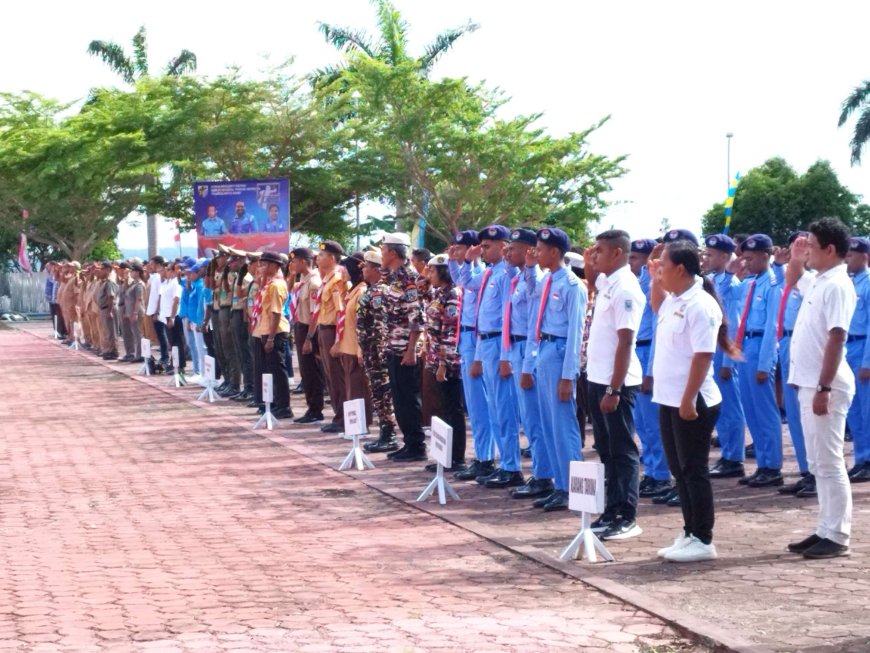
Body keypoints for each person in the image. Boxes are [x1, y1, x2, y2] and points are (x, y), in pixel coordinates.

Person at [648, 240, 731, 562]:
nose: (660, 271)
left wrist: (688, 399)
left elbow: (703, 355)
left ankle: (703, 538)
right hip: (670, 398)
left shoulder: (700, 304)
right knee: (678, 470)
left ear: (679, 269)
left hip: (693, 400)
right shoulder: (676, 299)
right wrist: (655, 275)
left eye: (663, 266)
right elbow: (657, 306)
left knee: (694, 469)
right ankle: (689, 530)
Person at [785, 218, 856, 559]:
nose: (807, 250)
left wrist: (824, 386)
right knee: (817, 463)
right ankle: (825, 527)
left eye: (812, 246)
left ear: (830, 249)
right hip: (809, 382)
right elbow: (794, 281)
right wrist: (797, 261)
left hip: (825, 385)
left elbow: (837, 336)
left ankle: (838, 534)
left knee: (829, 462)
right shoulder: (820, 280)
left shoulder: (837, 285)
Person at [586, 229, 646, 540]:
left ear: (617, 253)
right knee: (606, 449)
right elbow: (591, 278)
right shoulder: (608, 282)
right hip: (597, 378)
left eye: (599, 250)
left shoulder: (626, 288)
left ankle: (627, 515)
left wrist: (614, 388)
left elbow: (626, 342)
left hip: (616, 383)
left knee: (622, 450)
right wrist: (591, 264)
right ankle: (611, 509)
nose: (593, 255)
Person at [522, 227, 586, 511]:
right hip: (544, 351)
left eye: (541, 248)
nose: (536, 252)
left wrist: (568, 376)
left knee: (563, 426)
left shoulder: (573, 285)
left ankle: (574, 488)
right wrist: (528, 266)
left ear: (555, 252)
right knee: (548, 425)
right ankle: (560, 485)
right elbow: (529, 292)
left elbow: (575, 334)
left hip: (560, 354)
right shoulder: (546, 280)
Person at [466, 225, 523, 487]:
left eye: (487, 246)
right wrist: (478, 355)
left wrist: (505, 357)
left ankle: (511, 466)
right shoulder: (490, 273)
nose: (483, 250)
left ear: (503, 247)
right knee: (494, 408)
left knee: (504, 409)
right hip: (486, 342)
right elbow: (482, 318)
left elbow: (506, 319)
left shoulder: (505, 276)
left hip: (500, 343)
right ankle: (502, 463)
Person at [504, 229, 554, 499]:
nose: (507, 253)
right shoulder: (520, 278)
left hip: (529, 348)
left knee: (535, 420)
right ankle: (541, 473)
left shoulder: (538, 278)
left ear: (527, 251)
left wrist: (527, 366)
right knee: (529, 419)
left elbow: (535, 321)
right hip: (516, 346)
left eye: (512, 249)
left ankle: (544, 476)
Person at [735, 234, 784, 487]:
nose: (746, 263)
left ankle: (773, 466)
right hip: (745, 348)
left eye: (750, 258)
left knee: (765, 412)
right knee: (751, 411)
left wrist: (765, 364)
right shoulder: (750, 283)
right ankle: (763, 464)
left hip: (760, 348)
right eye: (744, 258)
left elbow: (772, 327)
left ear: (766, 256)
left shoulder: (773, 284)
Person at [449, 231, 497, 481]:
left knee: (481, 405)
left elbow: (467, 282)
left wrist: (467, 262)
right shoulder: (473, 270)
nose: (457, 252)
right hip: (466, 337)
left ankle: (486, 458)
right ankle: (481, 456)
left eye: (461, 248)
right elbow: (458, 279)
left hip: (478, 339)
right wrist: (453, 261)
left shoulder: (483, 272)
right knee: (474, 404)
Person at [703, 234, 748, 480]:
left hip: (723, 351)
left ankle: (734, 458)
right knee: (719, 407)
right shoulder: (712, 279)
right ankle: (727, 455)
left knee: (731, 407)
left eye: (711, 254)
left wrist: (729, 362)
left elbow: (732, 323)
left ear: (724, 255)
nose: (706, 258)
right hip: (711, 349)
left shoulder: (733, 284)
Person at [630, 238, 672, 500]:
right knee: (641, 423)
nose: (630, 262)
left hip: (648, 352)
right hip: (636, 349)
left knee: (653, 422)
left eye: (635, 257)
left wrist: (651, 371)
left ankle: (661, 475)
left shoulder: (654, 285)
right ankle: (654, 472)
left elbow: (657, 330)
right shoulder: (635, 283)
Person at [379, 232, 427, 462]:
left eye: (383, 248)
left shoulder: (409, 278)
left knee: (408, 398)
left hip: (404, 349)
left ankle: (416, 445)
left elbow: (416, 317)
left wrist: (411, 350)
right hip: (392, 346)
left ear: (392, 252)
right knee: (399, 398)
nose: (381, 253)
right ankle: (408, 442)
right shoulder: (392, 277)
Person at [775, 232, 815, 497]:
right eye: (794, 248)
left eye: (803, 248)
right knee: (796, 415)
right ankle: (805, 471)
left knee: (810, 417)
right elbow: (783, 280)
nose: (797, 253)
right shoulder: (792, 279)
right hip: (788, 343)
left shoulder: (816, 282)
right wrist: (783, 264)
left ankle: (815, 473)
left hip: (807, 347)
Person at [423, 254, 467, 470]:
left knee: (453, 409)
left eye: (432, 270)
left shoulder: (452, 295)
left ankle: (456, 458)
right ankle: (445, 456)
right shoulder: (438, 293)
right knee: (443, 408)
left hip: (448, 363)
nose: (428, 274)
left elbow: (449, 332)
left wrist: (443, 364)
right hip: (435, 358)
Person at [359, 250, 401, 452]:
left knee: (383, 393)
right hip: (370, 350)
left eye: (366, 266)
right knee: (378, 393)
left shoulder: (378, 292)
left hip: (377, 352)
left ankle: (389, 434)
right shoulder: (373, 290)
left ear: (375, 269)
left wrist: (377, 352)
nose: (363, 270)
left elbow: (380, 325)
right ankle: (385, 431)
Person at [311, 240, 349, 433]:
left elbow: (341, 312)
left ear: (332, 258)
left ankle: (342, 417)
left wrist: (337, 340)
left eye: (322, 255)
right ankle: (337, 414)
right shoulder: (327, 278)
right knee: (329, 375)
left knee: (337, 376)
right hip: (323, 328)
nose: (318, 258)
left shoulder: (338, 279)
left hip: (333, 331)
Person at [250, 251, 293, 419]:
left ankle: (284, 406)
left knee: (278, 370)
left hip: (275, 331)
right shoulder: (269, 284)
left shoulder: (276, 285)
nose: (261, 267)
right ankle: (274, 402)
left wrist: (271, 338)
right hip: (266, 329)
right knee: (270, 369)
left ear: (275, 266)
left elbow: (276, 313)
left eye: (265, 264)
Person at [333, 253, 374, 427]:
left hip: (355, 347)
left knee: (358, 390)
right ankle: (353, 427)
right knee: (351, 388)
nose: (343, 272)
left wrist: (360, 349)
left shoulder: (362, 291)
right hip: (347, 346)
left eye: (346, 268)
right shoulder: (353, 290)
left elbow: (362, 324)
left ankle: (360, 426)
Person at [844, 236, 870, 483]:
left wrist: (867, 362)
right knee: (854, 410)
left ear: (864, 256)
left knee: (867, 410)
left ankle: (868, 460)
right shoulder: (849, 283)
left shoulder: (869, 283)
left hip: (863, 345)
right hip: (847, 347)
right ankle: (861, 458)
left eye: (851, 255)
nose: (847, 259)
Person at [289, 248, 326, 424]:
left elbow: (315, 314)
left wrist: (310, 338)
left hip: (309, 329)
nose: (292, 265)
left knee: (312, 371)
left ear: (304, 261)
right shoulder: (303, 280)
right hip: (300, 326)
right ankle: (311, 406)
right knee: (305, 371)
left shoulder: (314, 283)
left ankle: (316, 409)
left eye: (295, 261)